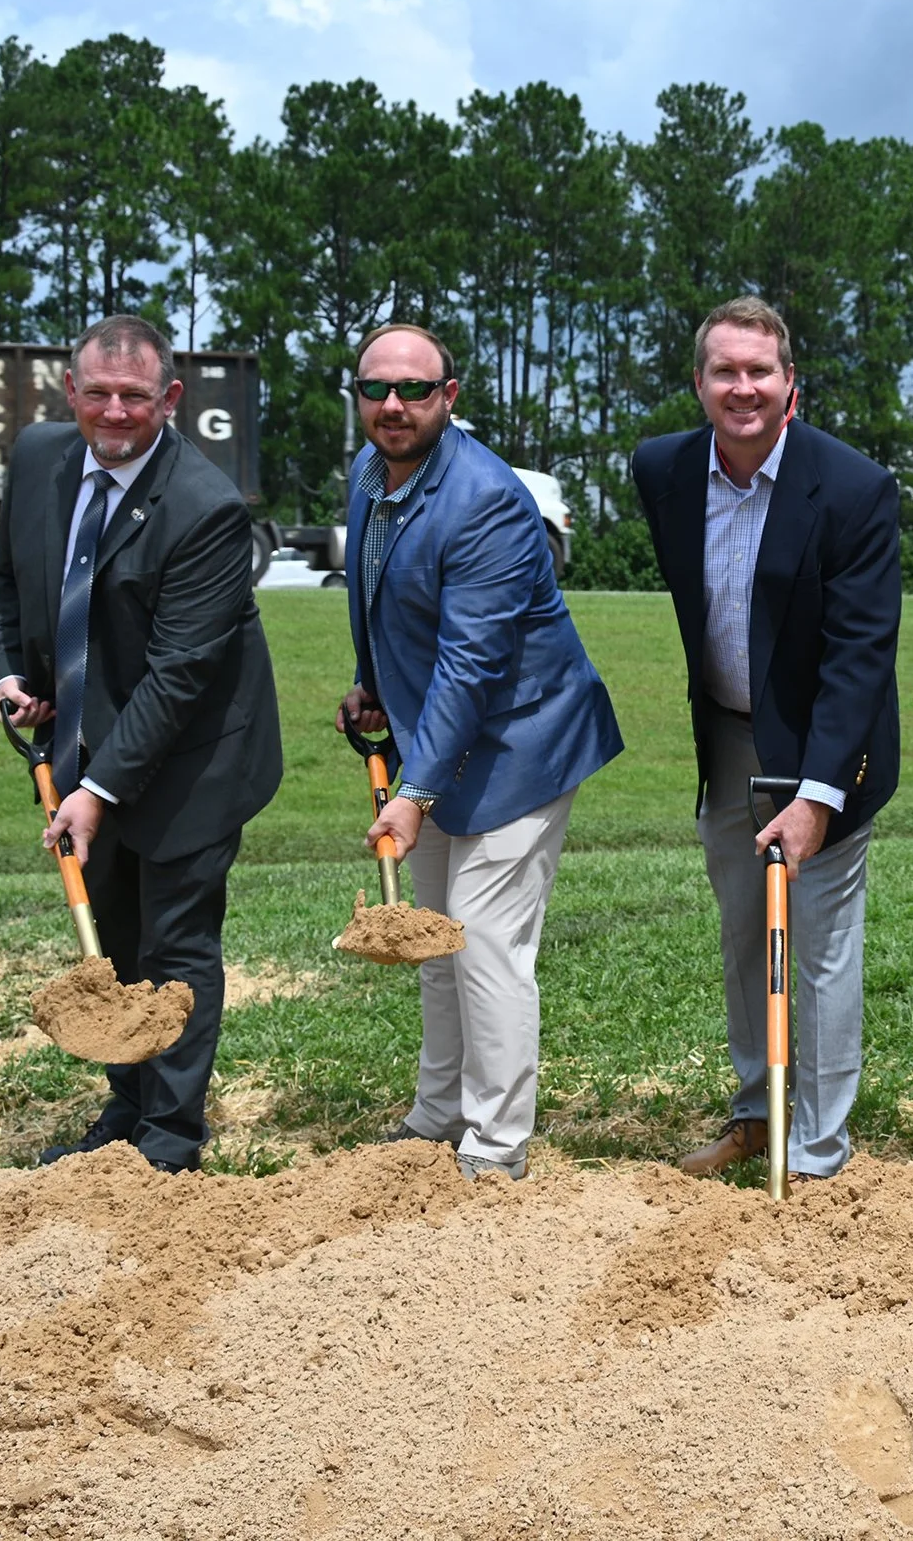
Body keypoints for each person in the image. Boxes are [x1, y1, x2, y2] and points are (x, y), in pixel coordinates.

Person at [0, 314, 282, 1173]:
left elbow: (180, 675)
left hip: (196, 756)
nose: (116, 413)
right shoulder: (40, 457)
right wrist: (10, 678)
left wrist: (99, 789)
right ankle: (129, 1103)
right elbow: (4, 583)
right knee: (111, 934)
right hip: (89, 741)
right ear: (70, 390)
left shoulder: (206, 509)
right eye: (100, 394)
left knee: (175, 944)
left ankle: (171, 1137)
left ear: (171, 400)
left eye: (136, 397)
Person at [338, 322, 622, 1182]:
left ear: (449, 397)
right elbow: (382, 598)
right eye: (376, 388)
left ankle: (496, 1148)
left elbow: (472, 662)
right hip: (442, 736)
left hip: (521, 742)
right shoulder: (369, 473)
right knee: (437, 938)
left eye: (415, 389)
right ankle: (440, 1112)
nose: (394, 404)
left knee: (486, 940)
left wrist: (413, 791)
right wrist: (371, 681)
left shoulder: (487, 499)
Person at [631, 297, 902, 1182]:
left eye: (760, 370)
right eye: (724, 371)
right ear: (699, 384)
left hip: (826, 747)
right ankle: (757, 1111)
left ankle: (819, 1148)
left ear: (792, 383)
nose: (742, 387)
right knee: (747, 931)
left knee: (816, 943)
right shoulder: (662, 470)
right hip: (727, 739)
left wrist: (819, 793)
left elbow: (859, 658)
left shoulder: (854, 488)